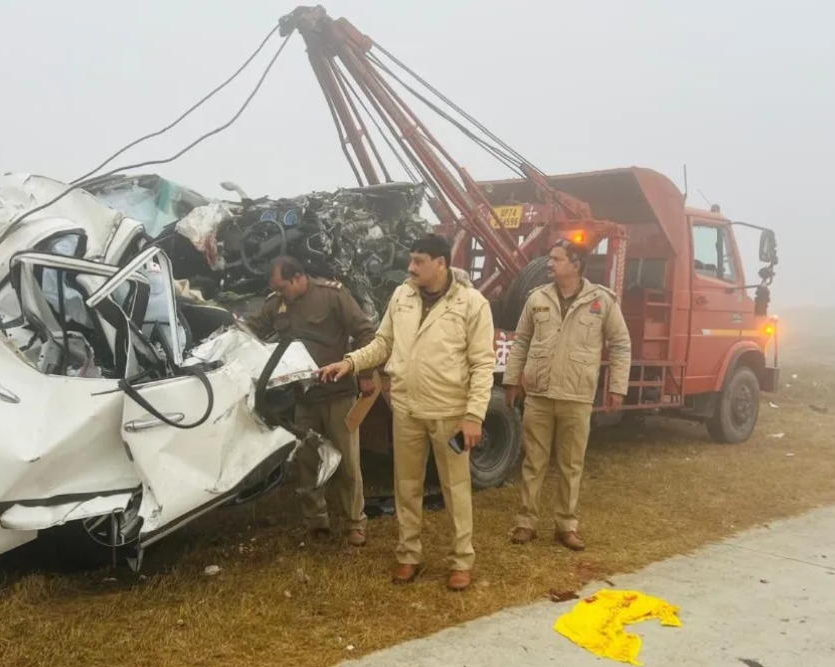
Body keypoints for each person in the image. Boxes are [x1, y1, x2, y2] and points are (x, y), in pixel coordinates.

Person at [319, 235, 495, 591]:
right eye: (411, 260)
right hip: (407, 411)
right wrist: (351, 362)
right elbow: (383, 343)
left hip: (450, 414)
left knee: (456, 487)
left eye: (418, 261)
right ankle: (408, 555)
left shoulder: (471, 303)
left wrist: (473, 416)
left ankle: (462, 560)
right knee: (407, 486)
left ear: (441, 264)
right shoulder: (402, 297)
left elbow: (482, 364)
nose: (411, 267)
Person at [502, 239, 631, 551]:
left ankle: (566, 526)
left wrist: (617, 388)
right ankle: (526, 522)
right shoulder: (537, 299)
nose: (549, 263)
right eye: (550, 257)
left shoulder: (601, 301)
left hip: (577, 396)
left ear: (576, 265)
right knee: (534, 462)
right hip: (539, 395)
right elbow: (521, 342)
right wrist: (511, 380)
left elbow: (621, 344)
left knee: (571, 464)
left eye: (557, 259)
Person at [246, 255, 377, 546]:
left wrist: (366, 373)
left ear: (297, 278)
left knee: (348, 462)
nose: (280, 294)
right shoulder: (277, 303)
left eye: (283, 287)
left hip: (338, 394)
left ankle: (356, 522)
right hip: (303, 398)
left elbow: (366, 333)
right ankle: (316, 523)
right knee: (309, 462)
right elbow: (250, 329)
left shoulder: (332, 295)